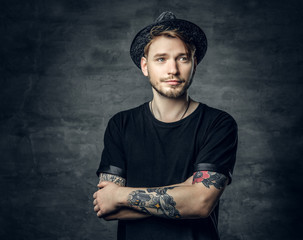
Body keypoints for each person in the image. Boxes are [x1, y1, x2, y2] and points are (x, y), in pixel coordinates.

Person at [93, 11, 238, 240]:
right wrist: (184, 194)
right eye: (161, 59)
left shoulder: (218, 124)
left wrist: (119, 194)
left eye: (182, 58)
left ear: (194, 64)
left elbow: (200, 203)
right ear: (145, 66)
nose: (173, 69)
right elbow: (107, 206)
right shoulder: (121, 125)